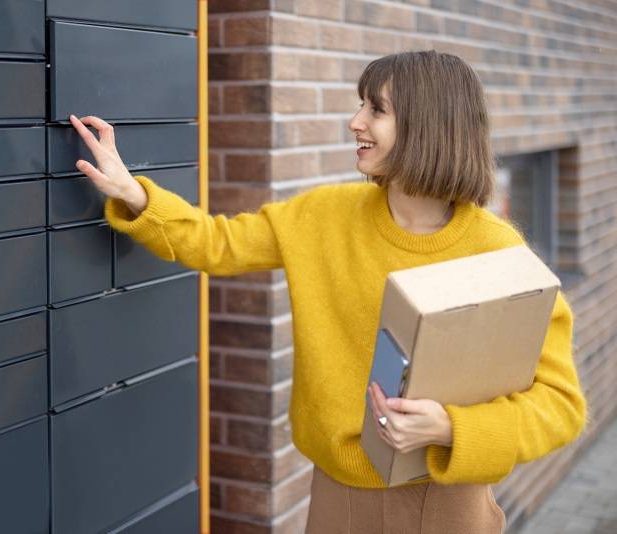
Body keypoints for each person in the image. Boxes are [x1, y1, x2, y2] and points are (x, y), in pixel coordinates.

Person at [67, 50, 587, 533]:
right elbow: (216, 243)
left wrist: (453, 428)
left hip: (447, 503)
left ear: (430, 125)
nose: (355, 121)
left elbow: (559, 405)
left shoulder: (496, 252)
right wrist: (133, 191)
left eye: (375, 109)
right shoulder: (322, 216)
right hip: (337, 497)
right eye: (359, 105)